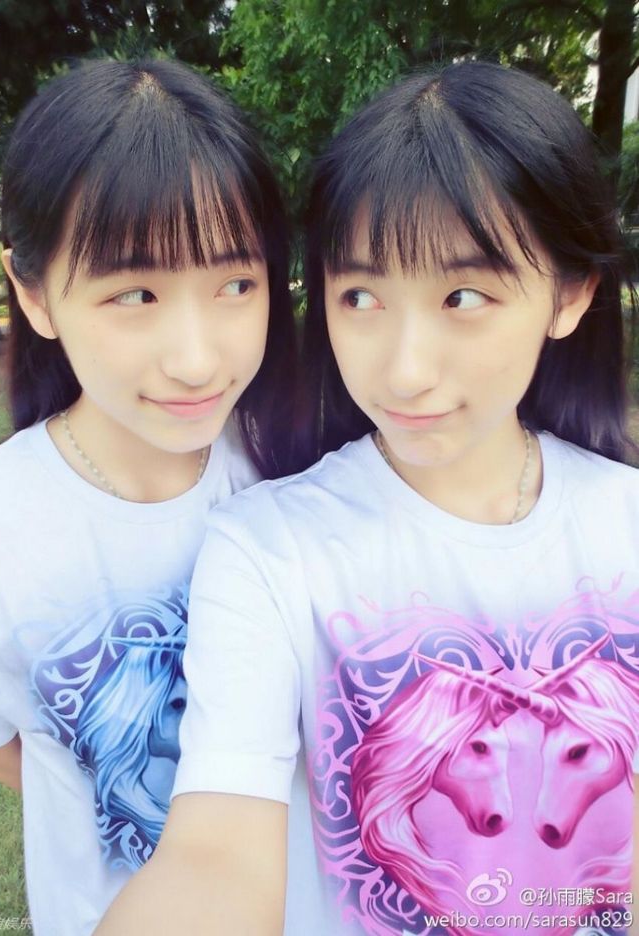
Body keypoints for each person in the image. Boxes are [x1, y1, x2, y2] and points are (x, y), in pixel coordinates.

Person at [96, 62, 639, 936]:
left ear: (570, 294)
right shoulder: (269, 550)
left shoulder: (625, 520)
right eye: (360, 296)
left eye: (464, 296)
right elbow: (215, 852)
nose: (404, 370)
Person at [0, 58, 298, 936]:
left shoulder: (298, 465)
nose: (197, 359)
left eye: (236, 284)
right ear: (34, 295)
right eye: (135, 293)